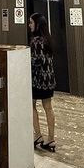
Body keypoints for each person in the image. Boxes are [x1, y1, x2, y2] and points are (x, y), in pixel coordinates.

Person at [28, 12, 56, 153]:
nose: (29, 25)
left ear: (37, 24)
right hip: (49, 79)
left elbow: (36, 61)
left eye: (31, 22)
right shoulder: (48, 39)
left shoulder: (36, 41)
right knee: (48, 108)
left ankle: (38, 135)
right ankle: (51, 139)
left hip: (38, 80)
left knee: (31, 105)